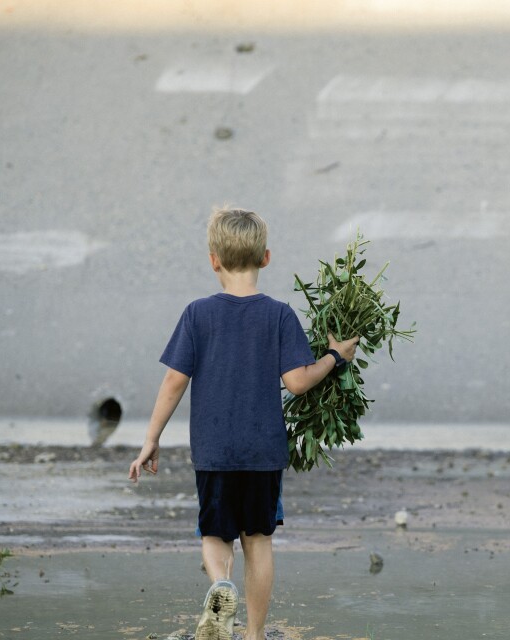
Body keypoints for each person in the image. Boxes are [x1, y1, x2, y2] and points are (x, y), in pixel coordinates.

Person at [128, 208, 358, 640]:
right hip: (262, 452)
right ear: (266, 258)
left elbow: (174, 380)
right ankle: (253, 634)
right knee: (258, 541)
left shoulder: (197, 314)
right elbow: (297, 383)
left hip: (214, 450)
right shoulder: (279, 315)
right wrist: (335, 357)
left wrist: (151, 439)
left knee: (215, 536)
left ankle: (220, 586)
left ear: (213, 259)